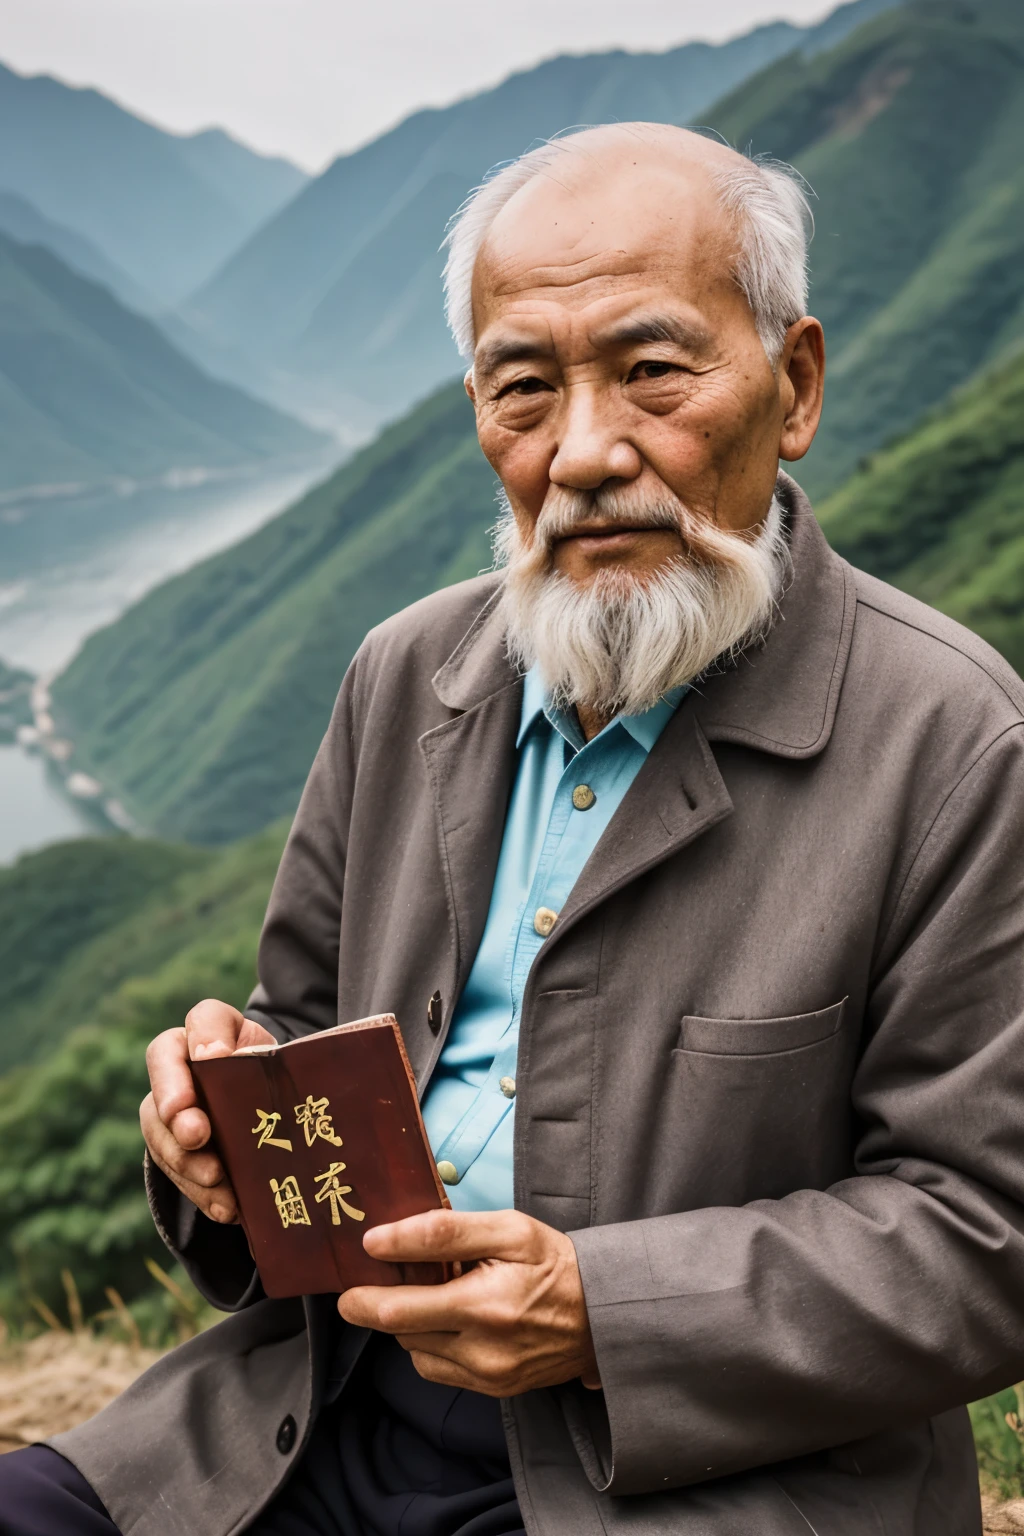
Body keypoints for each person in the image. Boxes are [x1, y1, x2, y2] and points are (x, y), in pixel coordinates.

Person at [3, 121, 1024, 1536]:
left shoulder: (956, 743)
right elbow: (298, 1029)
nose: (588, 452)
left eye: (654, 372)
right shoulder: (409, 673)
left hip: (692, 1477)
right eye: (523, 389)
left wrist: (601, 1310)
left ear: (793, 386)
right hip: (318, 1409)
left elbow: (989, 1233)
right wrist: (220, 1135)